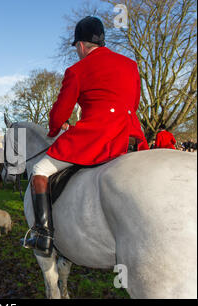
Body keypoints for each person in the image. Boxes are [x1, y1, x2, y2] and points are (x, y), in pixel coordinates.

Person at [21, 16, 149, 254]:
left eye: (77, 48)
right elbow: (134, 103)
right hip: (130, 137)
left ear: (80, 45)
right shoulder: (131, 65)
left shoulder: (77, 70)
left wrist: (54, 130)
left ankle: (43, 235)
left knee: (40, 170)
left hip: (97, 138)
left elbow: (59, 115)